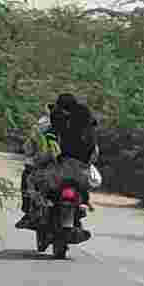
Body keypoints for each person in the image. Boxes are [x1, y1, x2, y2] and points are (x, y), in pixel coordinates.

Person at [23, 90, 98, 221]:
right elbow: (94, 155)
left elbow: (36, 147)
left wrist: (37, 156)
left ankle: (30, 210)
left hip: (59, 166)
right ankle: (83, 203)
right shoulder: (86, 124)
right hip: (80, 167)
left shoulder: (50, 123)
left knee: (30, 176)